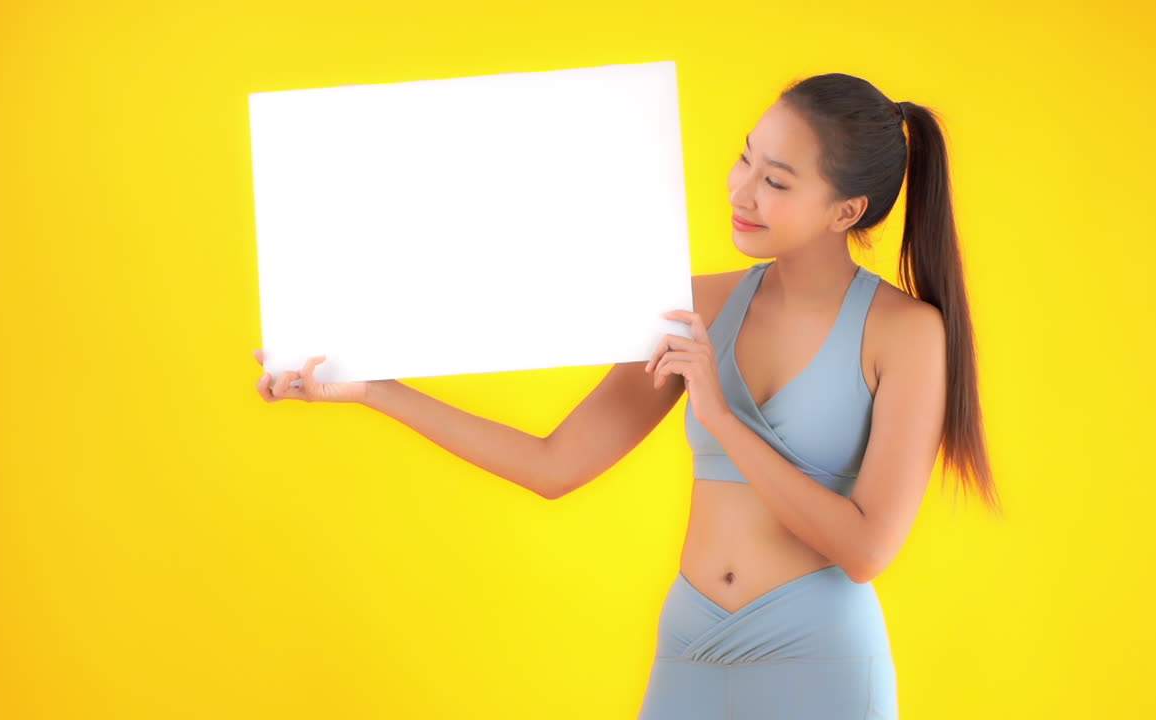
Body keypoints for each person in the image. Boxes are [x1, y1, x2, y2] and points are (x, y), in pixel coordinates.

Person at [252, 72, 1001, 719]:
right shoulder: (695, 309)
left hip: (823, 661)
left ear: (846, 212)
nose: (741, 189)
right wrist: (376, 389)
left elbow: (866, 550)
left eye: (776, 180)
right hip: (691, 648)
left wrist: (719, 415)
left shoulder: (906, 333)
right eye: (746, 157)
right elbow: (553, 466)